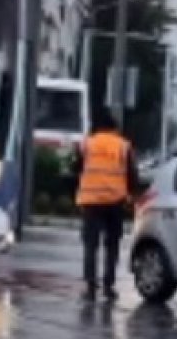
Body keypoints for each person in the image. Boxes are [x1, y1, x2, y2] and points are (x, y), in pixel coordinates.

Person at [72, 109, 140, 302]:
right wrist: (132, 196)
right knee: (112, 245)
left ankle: (91, 285)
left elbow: (75, 168)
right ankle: (109, 285)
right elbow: (132, 175)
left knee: (91, 245)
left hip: (91, 201)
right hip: (115, 201)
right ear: (114, 127)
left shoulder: (87, 144)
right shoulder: (123, 146)